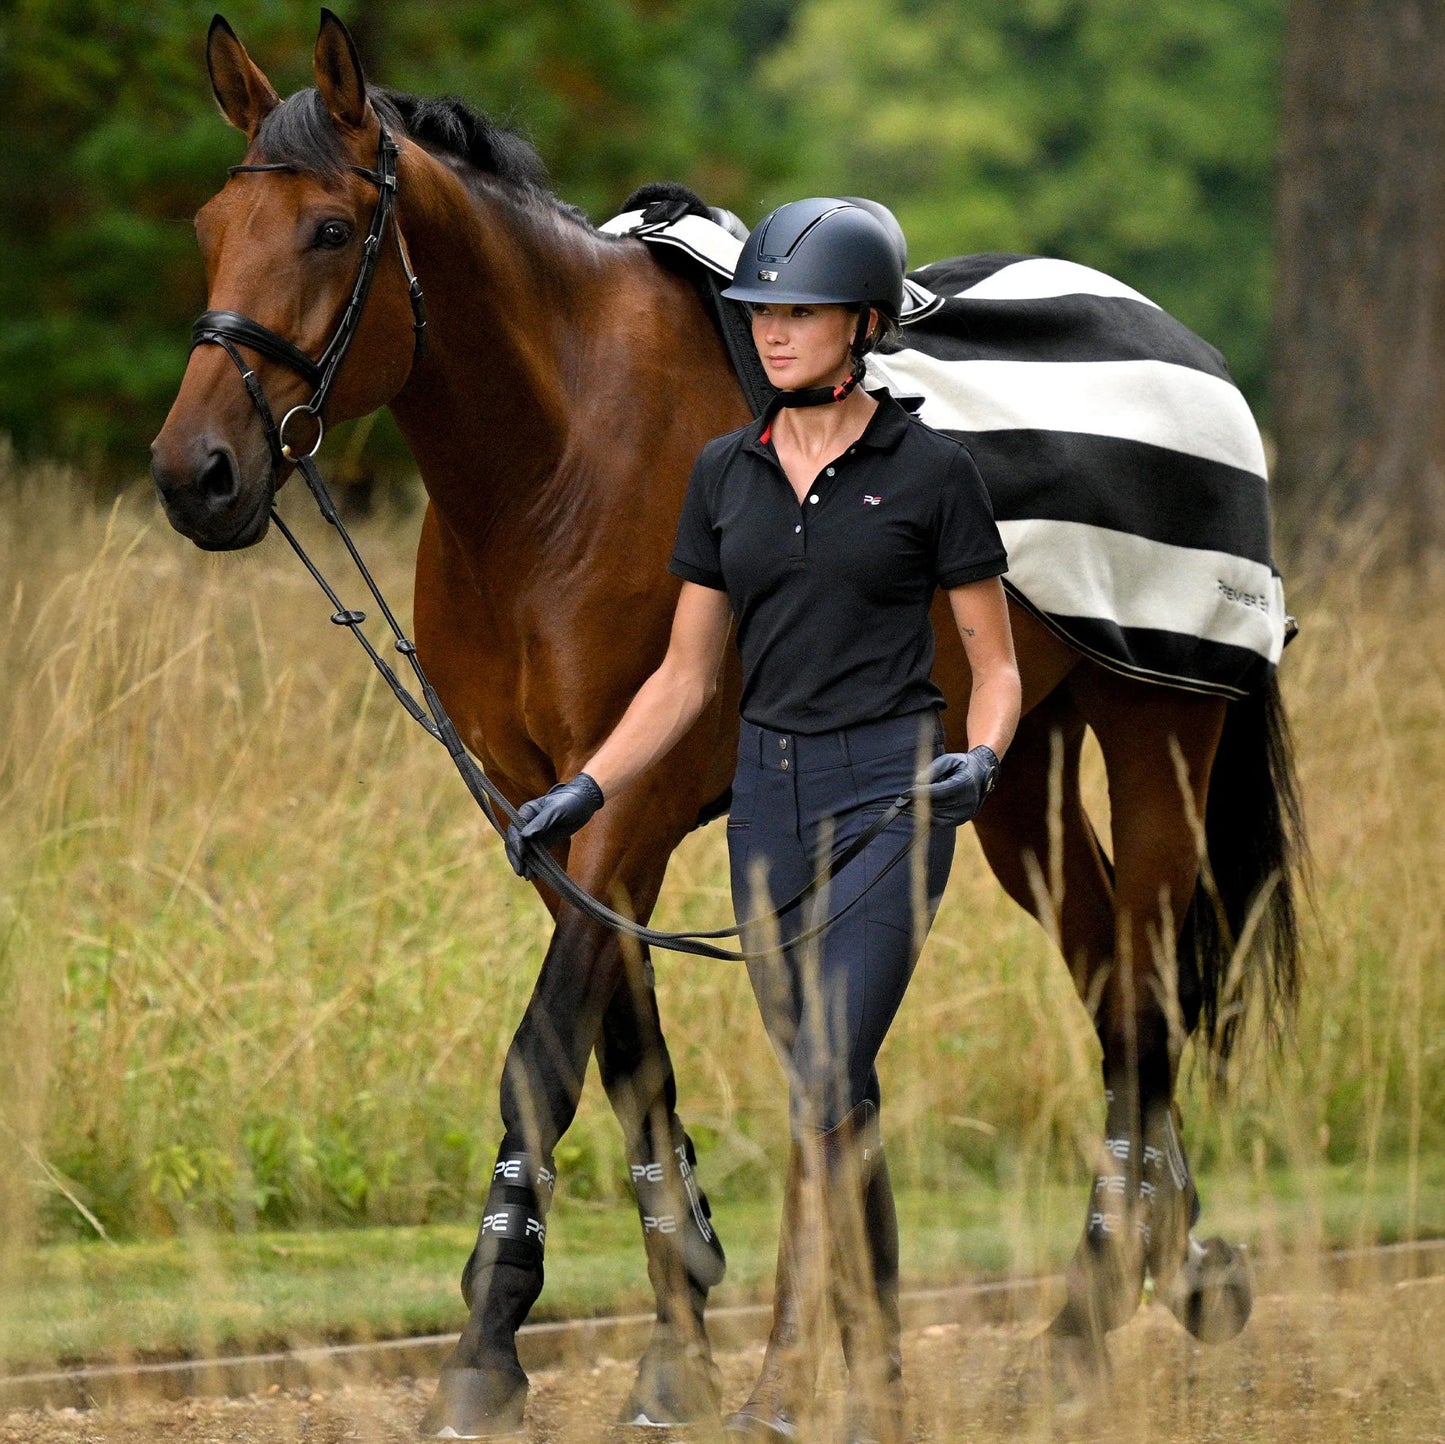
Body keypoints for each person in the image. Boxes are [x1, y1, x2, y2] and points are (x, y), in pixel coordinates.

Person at [505, 197, 1021, 1443]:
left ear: (864, 325)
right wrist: (587, 789)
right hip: (767, 807)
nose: (771, 331)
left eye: (798, 312)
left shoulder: (932, 474)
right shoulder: (721, 475)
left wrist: (983, 757)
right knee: (831, 1088)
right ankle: (881, 1369)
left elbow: (994, 663)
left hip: (894, 797)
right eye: (760, 312)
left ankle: (784, 1385)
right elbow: (684, 680)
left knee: (824, 1074)